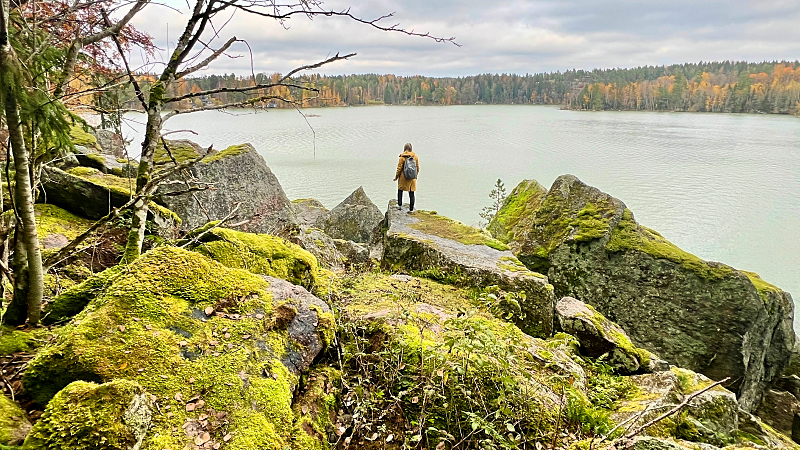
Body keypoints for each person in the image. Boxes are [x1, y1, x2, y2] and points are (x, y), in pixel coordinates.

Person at [393, 142, 420, 212]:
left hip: (403, 178)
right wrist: (415, 175)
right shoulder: (415, 157)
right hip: (412, 178)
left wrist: (396, 177)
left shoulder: (402, 157)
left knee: (400, 190)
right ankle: (411, 209)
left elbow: (399, 168)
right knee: (411, 193)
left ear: (404, 148)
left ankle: (399, 205)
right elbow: (417, 167)